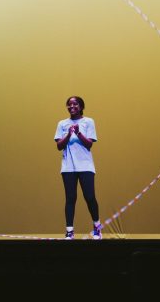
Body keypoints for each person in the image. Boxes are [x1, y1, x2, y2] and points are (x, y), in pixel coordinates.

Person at [54, 96, 102, 240]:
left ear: (81, 107)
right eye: (69, 104)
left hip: (85, 166)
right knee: (70, 198)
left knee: (90, 197)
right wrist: (69, 133)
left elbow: (89, 144)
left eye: (75, 104)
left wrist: (79, 132)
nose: (72, 106)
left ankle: (97, 228)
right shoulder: (62, 123)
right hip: (68, 167)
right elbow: (59, 146)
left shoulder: (88, 121)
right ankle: (69, 232)